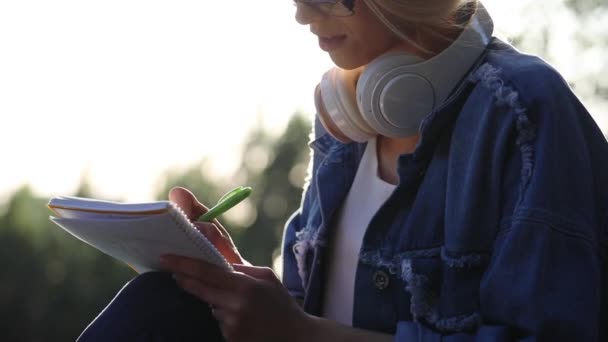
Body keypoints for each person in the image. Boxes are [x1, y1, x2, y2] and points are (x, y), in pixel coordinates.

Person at [77, 0, 608, 341]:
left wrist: (299, 335)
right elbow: (317, 315)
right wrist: (232, 281)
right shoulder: (345, 117)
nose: (303, 14)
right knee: (163, 301)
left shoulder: (523, 111)